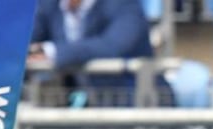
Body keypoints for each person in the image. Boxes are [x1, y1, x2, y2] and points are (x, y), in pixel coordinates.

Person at [27, 0, 159, 107]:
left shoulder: (125, 4)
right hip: (74, 108)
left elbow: (113, 45)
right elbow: (26, 40)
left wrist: (51, 51)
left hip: (133, 107)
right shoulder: (48, 5)